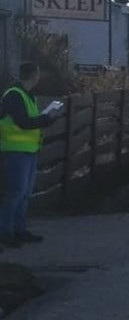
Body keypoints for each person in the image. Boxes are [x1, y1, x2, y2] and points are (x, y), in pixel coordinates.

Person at [0, 62, 62, 250]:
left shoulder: (27, 96)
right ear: (34, 75)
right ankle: (5, 232)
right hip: (15, 150)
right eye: (37, 74)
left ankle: (19, 229)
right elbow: (24, 122)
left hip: (28, 149)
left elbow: (30, 122)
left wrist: (45, 119)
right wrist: (46, 118)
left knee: (24, 193)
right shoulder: (14, 96)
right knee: (16, 193)